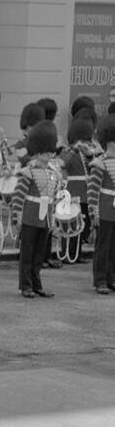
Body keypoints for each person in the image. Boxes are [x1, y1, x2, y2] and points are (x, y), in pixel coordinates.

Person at [9, 120, 64, 298]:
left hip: (45, 218)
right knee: (27, 253)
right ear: (38, 151)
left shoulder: (53, 173)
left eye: (50, 151)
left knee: (39, 253)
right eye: (45, 151)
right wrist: (17, 218)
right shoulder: (28, 172)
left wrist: (54, 221)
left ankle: (36, 283)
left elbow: (54, 199)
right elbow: (18, 196)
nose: (49, 154)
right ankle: (26, 285)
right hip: (30, 217)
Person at [85, 114, 115, 294]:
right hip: (104, 210)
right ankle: (100, 280)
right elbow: (92, 191)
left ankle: (112, 278)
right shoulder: (100, 163)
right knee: (103, 247)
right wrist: (93, 213)